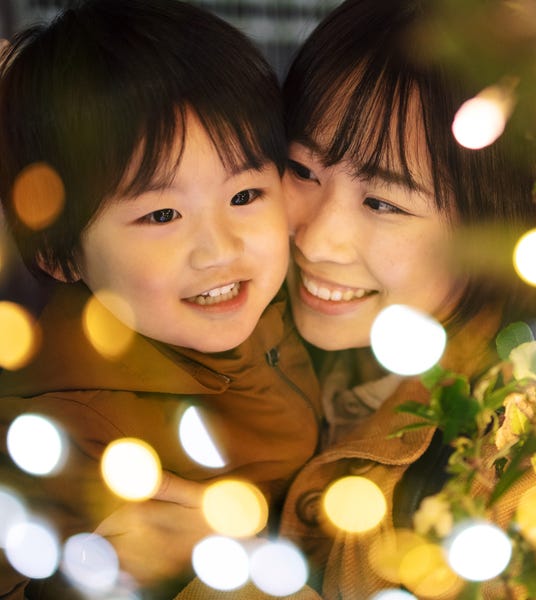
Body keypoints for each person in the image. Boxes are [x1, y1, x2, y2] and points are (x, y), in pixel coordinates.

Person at [180, 0, 536, 598]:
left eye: (384, 202)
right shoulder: (237, 336)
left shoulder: (533, 466)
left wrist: (224, 571)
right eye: (302, 169)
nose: (317, 237)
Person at [0, 1, 320, 597]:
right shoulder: (69, 431)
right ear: (61, 254)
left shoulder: (299, 300)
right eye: (162, 214)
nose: (219, 248)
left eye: (246, 194)